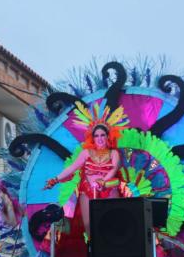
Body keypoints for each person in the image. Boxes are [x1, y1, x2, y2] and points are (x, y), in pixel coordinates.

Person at [44, 101, 128, 238]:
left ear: (108, 137)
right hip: (87, 191)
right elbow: (72, 168)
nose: (100, 138)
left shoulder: (114, 153)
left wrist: (104, 181)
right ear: (92, 138)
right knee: (89, 225)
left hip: (109, 189)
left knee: (113, 223)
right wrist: (55, 179)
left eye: (102, 135)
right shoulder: (86, 153)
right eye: (97, 135)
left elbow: (113, 170)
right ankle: (93, 251)